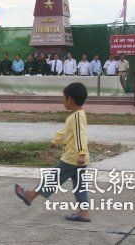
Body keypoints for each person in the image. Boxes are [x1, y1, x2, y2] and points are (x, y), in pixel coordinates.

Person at [14, 82, 91, 222]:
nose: (62, 101)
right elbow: (66, 131)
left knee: (53, 178)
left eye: (63, 98)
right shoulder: (76, 115)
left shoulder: (77, 117)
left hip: (73, 158)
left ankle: (30, 195)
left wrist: (81, 153)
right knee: (80, 186)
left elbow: (81, 136)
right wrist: (56, 140)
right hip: (78, 159)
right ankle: (84, 213)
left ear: (70, 100)